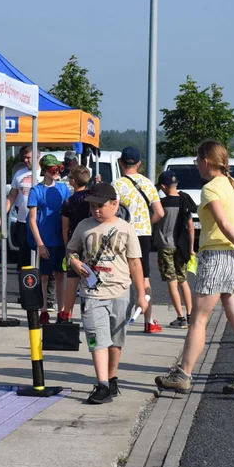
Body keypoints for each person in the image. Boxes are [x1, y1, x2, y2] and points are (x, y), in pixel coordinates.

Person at [155, 141, 234, 396]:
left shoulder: (211, 188)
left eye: (197, 158)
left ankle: (182, 375)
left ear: (206, 160)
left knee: (199, 320)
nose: (196, 163)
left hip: (217, 255)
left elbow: (221, 220)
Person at [68, 183, 149, 405]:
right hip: (92, 293)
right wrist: (74, 262)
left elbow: (135, 263)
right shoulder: (83, 226)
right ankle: (102, 384)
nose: (96, 210)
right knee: (96, 338)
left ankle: (112, 378)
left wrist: (141, 294)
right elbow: (71, 251)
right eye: (92, 206)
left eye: (100, 205)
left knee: (115, 340)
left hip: (120, 291)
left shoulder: (126, 229)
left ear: (114, 204)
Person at [114, 146, 164, 333]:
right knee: (144, 278)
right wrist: (146, 223)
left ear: (121, 162)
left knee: (122, 276)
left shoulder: (117, 184)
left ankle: (120, 317)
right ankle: (149, 321)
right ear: (139, 163)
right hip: (143, 234)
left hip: (123, 233)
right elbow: (160, 212)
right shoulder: (148, 183)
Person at [28, 154, 72, 325]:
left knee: (61, 276)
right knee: (44, 277)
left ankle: (61, 312)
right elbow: (32, 219)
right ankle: (44, 310)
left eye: (57, 168)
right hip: (45, 240)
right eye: (52, 169)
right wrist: (40, 244)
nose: (55, 172)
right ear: (45, 170)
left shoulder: (63, 189)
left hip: (61, 240)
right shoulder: (36, 191)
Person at [154, 170, 196, 328]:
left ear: (163, 186)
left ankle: (180, 317)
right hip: (182, 246)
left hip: (165, 246)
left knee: (171, 281)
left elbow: (153, 220)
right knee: (183, 280)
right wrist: (191, 248)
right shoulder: (185, 201)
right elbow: (191, 228)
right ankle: (190, 314)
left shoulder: (161, 204)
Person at [59, 165, 93, 322]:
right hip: (91, 240)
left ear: (73, 181)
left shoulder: (68, 202)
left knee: (72, 280)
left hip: (75, 240)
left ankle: (67, 313)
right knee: (91, 278)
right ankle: (90, 313)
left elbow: (65, 227)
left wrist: (67, 248)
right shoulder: (92, 198)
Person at [5, 145, 34, 271]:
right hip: (22, 221)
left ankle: (43, 288)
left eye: (28, 157)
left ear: (37, 157)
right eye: (25, 158)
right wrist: (3, 213)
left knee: (41, 257)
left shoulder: (44, 174)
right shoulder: (19, 174)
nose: (26, 160)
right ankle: (25, 287)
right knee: (24, 257)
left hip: (40, 223)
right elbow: (12, 195)